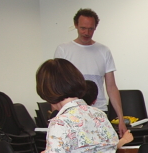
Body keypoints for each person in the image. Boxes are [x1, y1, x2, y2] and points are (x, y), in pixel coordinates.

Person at [55, 8, 129, 137]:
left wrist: (121, 119)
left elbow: (111, 87)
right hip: (72, 113)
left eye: (91, 29)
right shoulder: (63, 50)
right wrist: (57, 114)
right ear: (76, 25)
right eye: (83, 28)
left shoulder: (104, 51)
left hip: (99, 111)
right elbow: (56, 86)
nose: (87, 33)